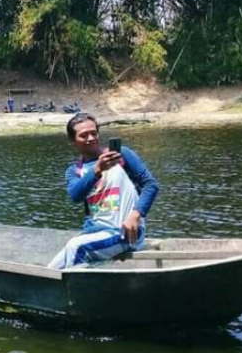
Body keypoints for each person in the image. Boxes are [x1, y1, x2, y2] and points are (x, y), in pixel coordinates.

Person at [48, 113, 159, 269]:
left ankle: (76, 292)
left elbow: (151, 185)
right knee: (52, 269)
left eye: (94, 133)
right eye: (84, 135)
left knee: (77, 247)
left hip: (126, 231)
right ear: (73, 141)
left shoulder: (121, 155)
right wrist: (97, 170)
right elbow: (75, 195)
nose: (91, 138)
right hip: (95, 232)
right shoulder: (74, 171)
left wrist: (135, 215)